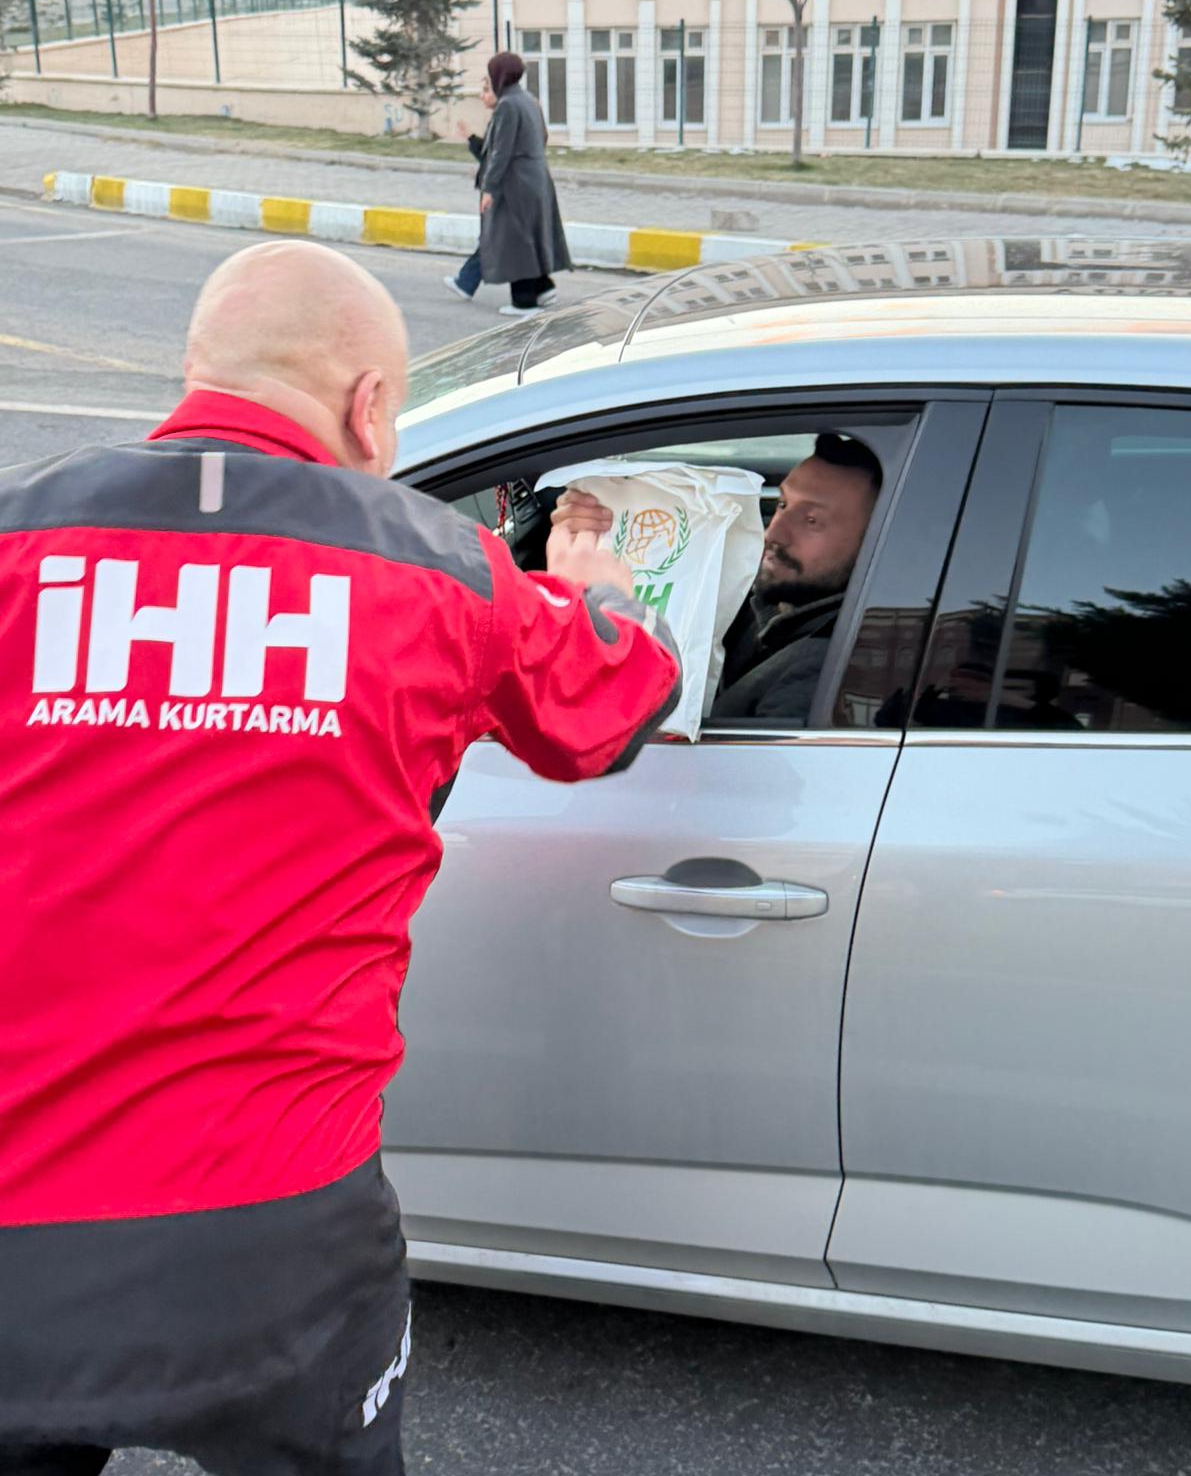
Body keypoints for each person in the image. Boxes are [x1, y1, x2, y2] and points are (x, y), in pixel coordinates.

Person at [0, 240, 680, 1476]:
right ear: (370, 406)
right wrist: (605, 595)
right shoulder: (441, 572)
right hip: (278, 1231)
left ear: (198, 371)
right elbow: (609, 708)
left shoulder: (13, 540)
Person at [551, 433, 881, 726]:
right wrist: (597, 522)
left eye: (811, 520)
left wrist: (595, 599)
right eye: (783, 504)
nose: (773, 533)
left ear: (876, 541)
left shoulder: (825, 676)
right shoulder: (777, 601)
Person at [475, 51, 571, 317]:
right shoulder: (529, 99)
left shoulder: (507, 104)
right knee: (532, 234)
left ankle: (524, 301)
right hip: (536, 177)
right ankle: (544, 288)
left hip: (515, 181)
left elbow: (501, 152)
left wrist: (489, 188)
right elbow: (543, 136)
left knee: (514, 239)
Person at [442, 74, 497, 305]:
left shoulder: (505, 116)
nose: (481, 95)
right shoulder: (499, 117)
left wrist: (490, 188)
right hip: (493, 188)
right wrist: (470, 138)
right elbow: (489, 154)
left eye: (486, 90)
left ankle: (466, 282)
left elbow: (497, 158)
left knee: (493, 239)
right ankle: (466, 282)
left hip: (495, 190)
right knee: (492, 238)